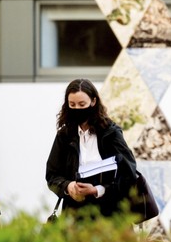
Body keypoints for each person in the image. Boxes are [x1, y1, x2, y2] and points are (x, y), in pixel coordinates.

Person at [46, 78, 153, 219]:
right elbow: (52, 175)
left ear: (93, 101)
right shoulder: (65, 135)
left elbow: (128, 174)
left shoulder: (111, 133)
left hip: (110, 216)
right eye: (72, 104)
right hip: (74, 217)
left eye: (82, 104)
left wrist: (97, 190)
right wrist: (69, 187)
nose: (77, 109)